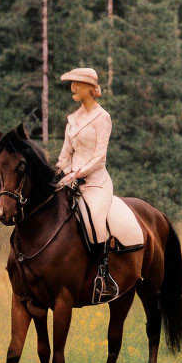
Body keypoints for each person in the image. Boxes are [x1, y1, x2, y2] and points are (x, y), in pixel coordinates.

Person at [56, 67, 118, 302]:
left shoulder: (103, 118)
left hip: (95, 183)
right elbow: (65, 154)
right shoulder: (72, 119)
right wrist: (60, 173)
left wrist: (75, 175)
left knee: (94, 221)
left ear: (90, 89)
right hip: (69, 181)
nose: (73, 88)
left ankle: (103, 276)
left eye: (78, 84)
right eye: (72, 84)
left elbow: (99, 158)